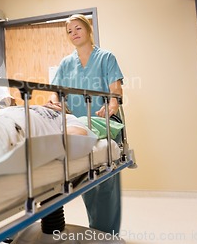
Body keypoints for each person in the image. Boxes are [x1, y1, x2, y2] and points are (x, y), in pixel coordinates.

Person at [50, 14, 124, 235]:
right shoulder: (66, 63)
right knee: (86, 184)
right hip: (77, 126)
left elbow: (116, 91)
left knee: (106, 187)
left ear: (88, 28)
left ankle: (108, 233)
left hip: (102, 124)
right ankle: (97, 231)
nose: (74, 33)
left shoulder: (106, 57)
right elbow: (56, 92)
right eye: (69, 31)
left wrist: (111, 105)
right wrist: (55, 103)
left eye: (77, 28)